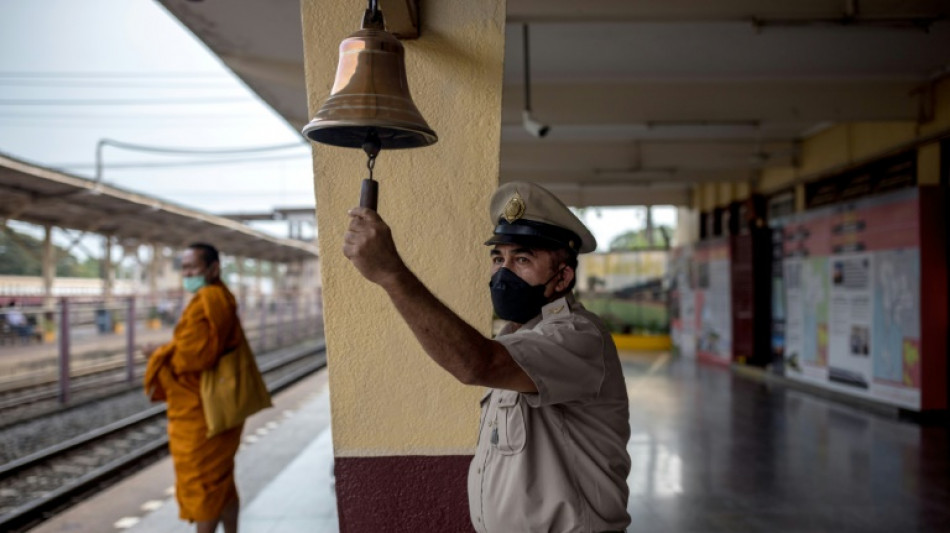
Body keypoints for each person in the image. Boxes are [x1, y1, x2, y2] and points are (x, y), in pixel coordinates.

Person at [343, 181, 632, 532]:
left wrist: (392, 274)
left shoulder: (577, 336)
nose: (503, 272)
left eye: (522, 259)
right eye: (498, 258)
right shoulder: (515, 337)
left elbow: (475, 363)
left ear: (562, 277)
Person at [143, 243, 243, 533]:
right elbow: (195, 347)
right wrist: (169, 350)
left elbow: (194, 357)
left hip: (204, 410)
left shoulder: (210, 299)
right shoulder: (215, 296)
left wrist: (158, 354)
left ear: (213, 269)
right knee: (221, 481)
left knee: (204, 484)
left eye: (193, 268)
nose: (187, 274)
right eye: (184, 268)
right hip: (213, 405)